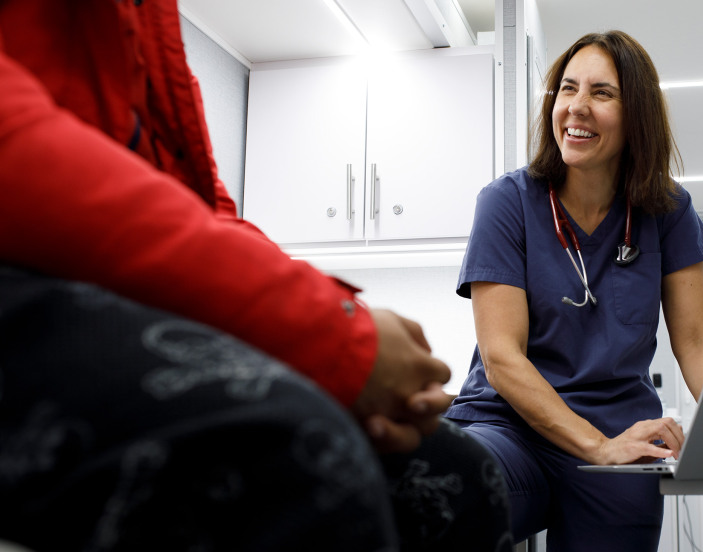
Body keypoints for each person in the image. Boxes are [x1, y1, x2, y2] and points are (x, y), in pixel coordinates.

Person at [0, 1, 511, 551]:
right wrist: (335, 338)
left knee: (453, 472)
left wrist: (337, 321)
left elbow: (198, 204)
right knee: (290, 453)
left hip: (89, 293)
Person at [445, 30, 703, 551]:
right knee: (453, 490)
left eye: (602, 93)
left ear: (637, 113)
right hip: (509, 426)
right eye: (567, 89)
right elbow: (502, 358)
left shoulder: (667, 210)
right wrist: (595, 447)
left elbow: (698, 342)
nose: (577, 107)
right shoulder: (507, 203)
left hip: (622, 433)